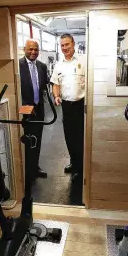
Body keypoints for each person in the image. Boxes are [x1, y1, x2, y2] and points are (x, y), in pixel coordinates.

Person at [50, 33, 86, 182]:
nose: (65, 48)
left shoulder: (84, 61)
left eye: (67, 44)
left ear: (73, 44)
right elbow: (55, 84)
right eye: (62, 45)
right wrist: (56, 95)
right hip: (66, 106)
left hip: (81, 105)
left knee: (80, 137)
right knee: (69, 137)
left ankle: (81, 166)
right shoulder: (59, 65)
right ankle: (74, 162)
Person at [19, 39, 49, 178]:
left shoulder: (42, 66)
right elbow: (17, 90)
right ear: (24, 49)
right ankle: (26, 170)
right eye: (30, 49)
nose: (33, 52)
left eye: (36, 49)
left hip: (39, 109)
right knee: (26, 140)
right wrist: (27, 106)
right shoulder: (18, 65)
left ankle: (35, 167)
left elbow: (43, 87)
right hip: (25, 111)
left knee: (37, 139)